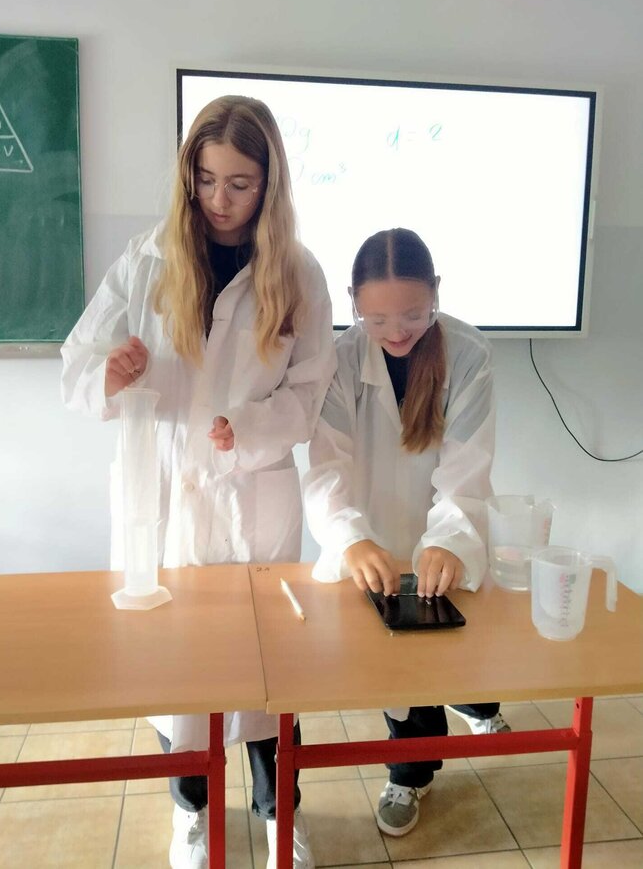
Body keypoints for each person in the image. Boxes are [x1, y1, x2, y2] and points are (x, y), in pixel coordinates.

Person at [61, 95, 335, 869]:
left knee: (268, 680)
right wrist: (109, 375)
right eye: (206, 179)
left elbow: (309, 394)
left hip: (253, 497)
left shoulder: (299, 274)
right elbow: (76, 364)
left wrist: (247, 429)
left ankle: (280, 815)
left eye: (239, 184)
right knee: (175, 675)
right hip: (162, 502)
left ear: (269, 183)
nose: (219, 200)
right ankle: (190, 811)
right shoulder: (146, 259)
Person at [303, 227, 509, 840]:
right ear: (353, 303)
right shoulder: (340, 359)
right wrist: (349, 536)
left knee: (448, 637)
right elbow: (326, 467)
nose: (396, 333)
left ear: (436, 293)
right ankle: (416, 765)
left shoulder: (468, 353)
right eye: (377, 320)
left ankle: (467, 714)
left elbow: (468, 465)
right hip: (369, 532)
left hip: (443, 526)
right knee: (397, 659)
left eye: (414, 316)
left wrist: (449, 536)